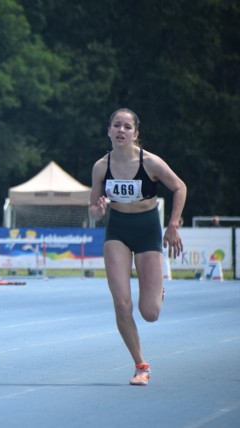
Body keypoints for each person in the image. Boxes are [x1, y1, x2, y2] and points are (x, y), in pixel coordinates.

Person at [89, 108, 186, 386]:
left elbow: (180, 187)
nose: (121, 130)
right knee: (122, 304)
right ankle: (140, 364)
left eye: (127, 127)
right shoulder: (100, 167)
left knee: (150, 313)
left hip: (147, 231)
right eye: (116, 125)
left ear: (135, 134)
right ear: (108, 131)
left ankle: (158, 292)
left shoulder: (151, 163)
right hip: (117, 230)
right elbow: (94, 211)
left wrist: (173, 225)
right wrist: (99, 208)